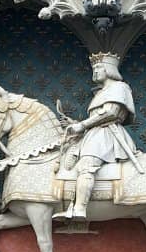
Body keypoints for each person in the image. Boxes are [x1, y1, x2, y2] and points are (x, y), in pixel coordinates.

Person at [58, 52, 138, 220]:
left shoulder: (119, 87)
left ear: (109, 69)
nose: (95, 72)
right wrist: (74, 123)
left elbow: (111, 112)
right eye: (94, 69)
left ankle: (79, 208)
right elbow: (95, 116)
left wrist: (82, 125)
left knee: (87, 165)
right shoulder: (102, 91)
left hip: (107, 134)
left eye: (98, 68)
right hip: (93, 134)